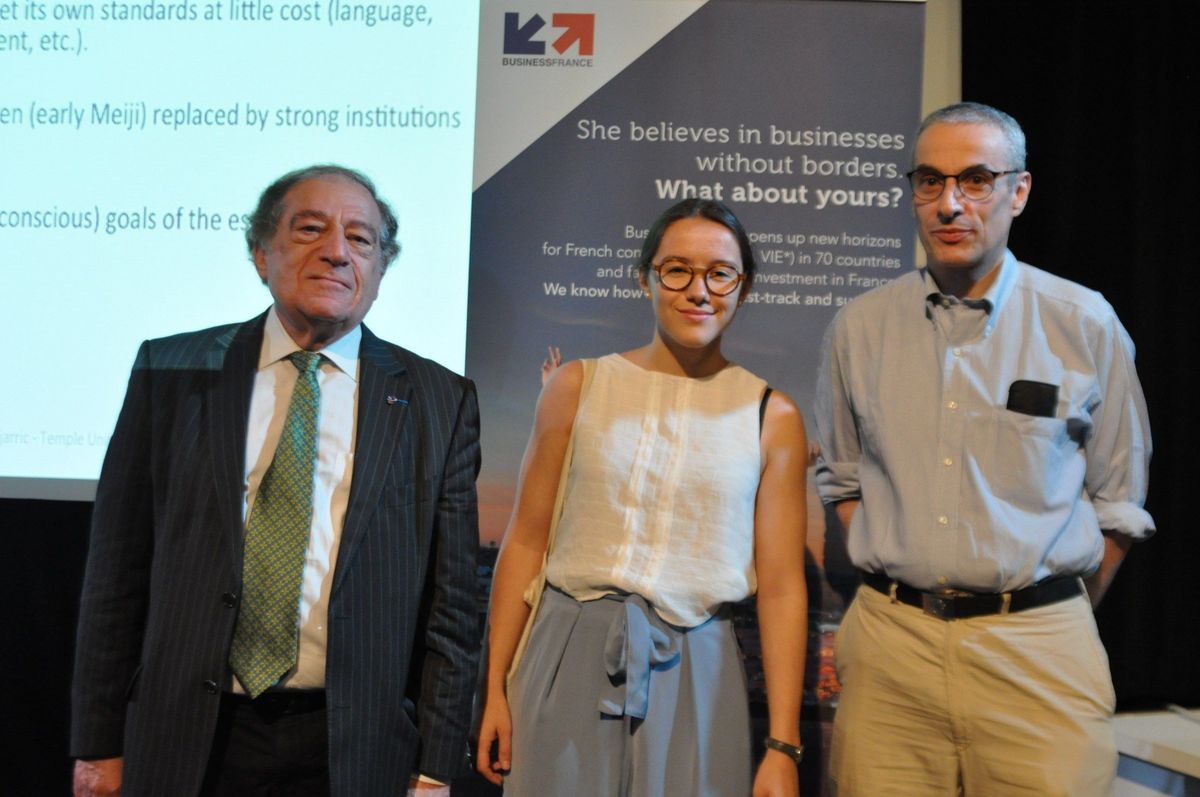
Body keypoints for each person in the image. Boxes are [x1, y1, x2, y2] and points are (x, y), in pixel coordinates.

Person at [70, 165, 481, 796]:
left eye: (361, 239)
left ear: (380, 270)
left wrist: (435, 769)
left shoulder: (438, 400)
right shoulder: (172, 371)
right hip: (190, 737)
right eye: (311, 229)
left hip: (352, 748)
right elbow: (115, 576)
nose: (337, 251)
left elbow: (452, 610)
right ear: (262, 253)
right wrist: (99, 746)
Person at [815, 102, 1154, 795]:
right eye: (930, 181)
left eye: (975, 180)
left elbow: (1119, 500)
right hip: (891, 657)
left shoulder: (1083, 322)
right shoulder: (860, 327)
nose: (950, 204)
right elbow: (844, 481)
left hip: (1038, 654)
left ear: (1018, 191)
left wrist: (1041, 611)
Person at [476, 199, 810, 797]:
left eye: (720, 273)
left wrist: (783, 745)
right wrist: (496, 687)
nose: (698, 291)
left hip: (699, 667)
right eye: (677, 269)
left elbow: (783, 587)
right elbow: (525, 540)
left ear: (743, 288)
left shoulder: (771, 414)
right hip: (564, 651)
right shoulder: (577, 385)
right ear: (645, 278)